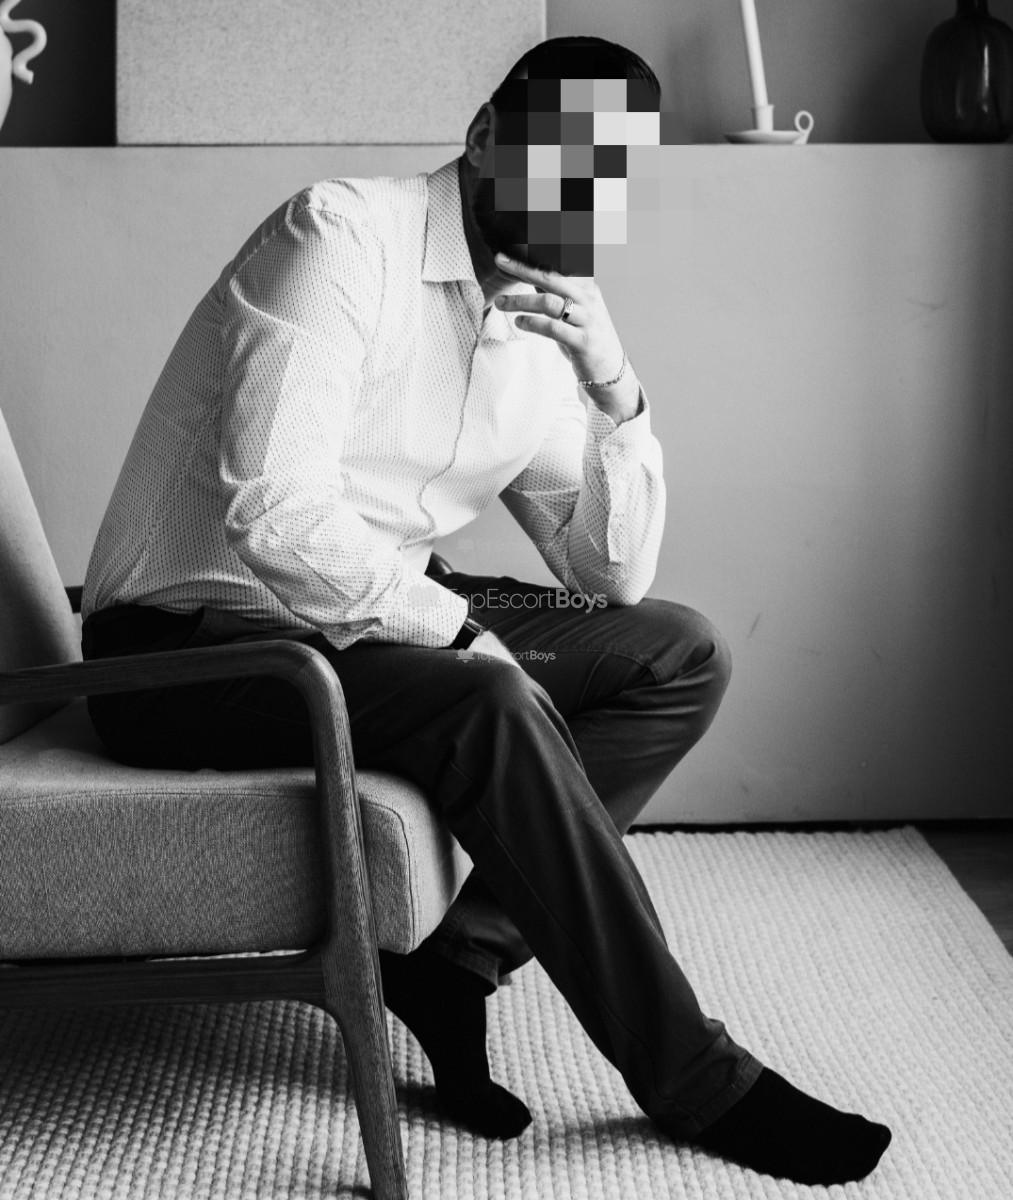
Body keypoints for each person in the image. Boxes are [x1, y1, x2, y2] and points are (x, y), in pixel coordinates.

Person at [80, 35, 892, 1187]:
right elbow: (276, 516)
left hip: (362, 622)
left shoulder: (541, 315)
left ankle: (452, 965)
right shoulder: (337, 236)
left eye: (613, 170)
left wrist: (615, 388)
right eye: (567, 153)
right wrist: (462, 634)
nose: (586, 191)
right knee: (484, 696)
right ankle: (697, 1079)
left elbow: (611, 574)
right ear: (484, 139)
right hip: (188, 649)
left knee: (675, 652)